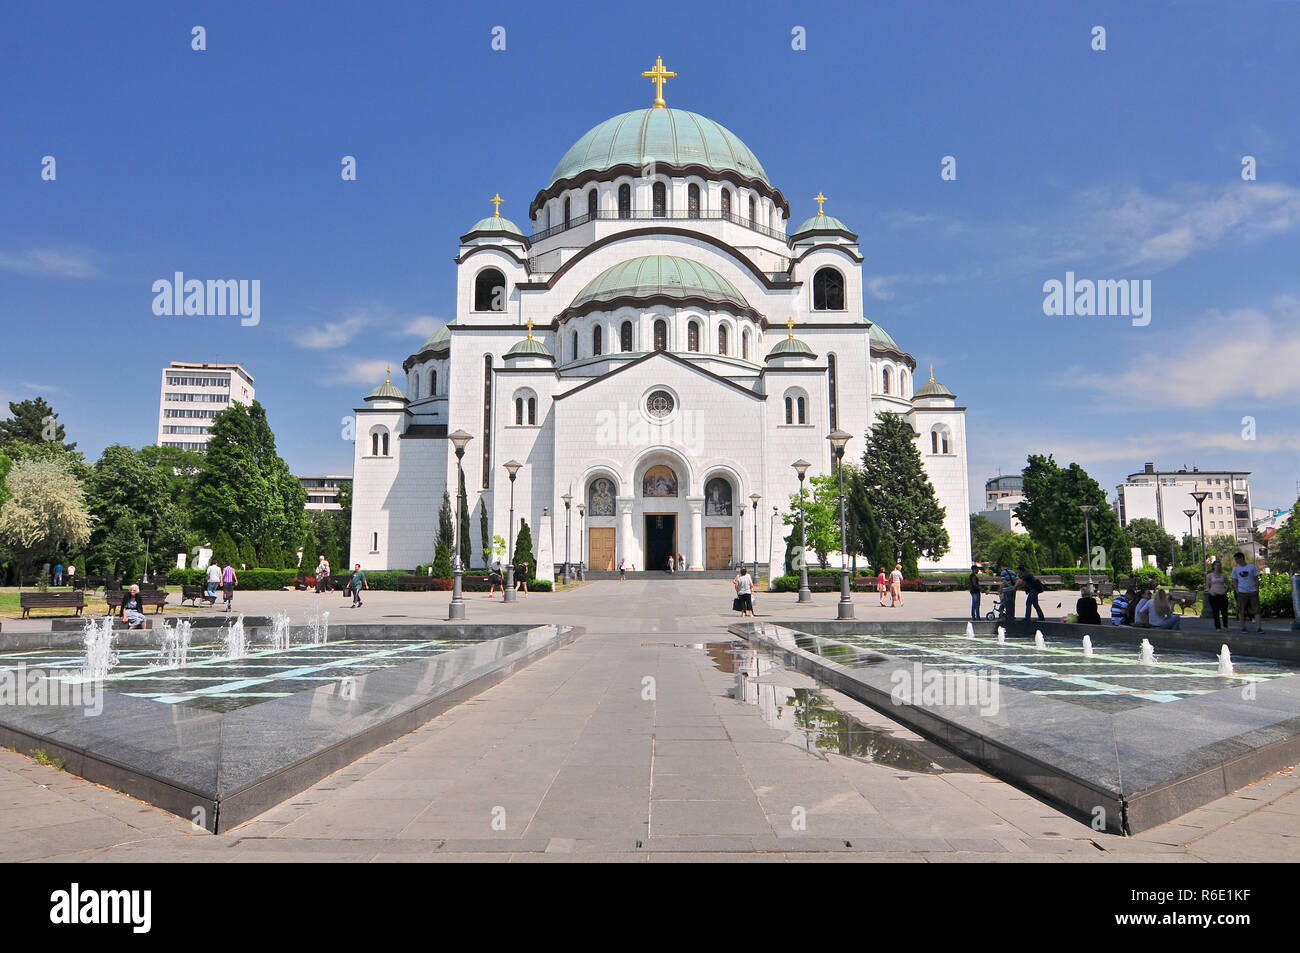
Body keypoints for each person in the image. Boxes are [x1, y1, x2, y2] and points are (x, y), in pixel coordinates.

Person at [1230, 551, 1263, 633]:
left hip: (1252, 591)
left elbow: (1256, 579)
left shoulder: (1251, 567)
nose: (1236, 561)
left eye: (1237, 559)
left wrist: (1257, 589)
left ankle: (1259, 627)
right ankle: (1243, 627)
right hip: (1242, 592)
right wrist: (1237, 590)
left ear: (1241, 558)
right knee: (1241, 610)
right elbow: (1234, 580)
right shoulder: (1236, 569)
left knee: (1256, 610)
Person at [1205, 558, 1231, 631]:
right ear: (1213, 566)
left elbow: (1228, 583)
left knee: (1224, 612)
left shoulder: (1223, 575)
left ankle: (1225, 626)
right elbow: (1207, 586)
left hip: (1222, 595)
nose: (1218, 567)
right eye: (1216, 565)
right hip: (1214, 595)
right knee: (1215, 612)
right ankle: (1218, 627)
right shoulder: (1210, 575)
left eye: (1219, 565)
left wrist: (1225, 590)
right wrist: (1210, 592)